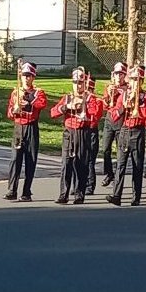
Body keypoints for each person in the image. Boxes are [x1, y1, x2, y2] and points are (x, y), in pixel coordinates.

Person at [106, 65, 146, 207]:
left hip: (138, 131)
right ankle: (116, 195)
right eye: (132, 80)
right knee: (120, 165)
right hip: (125, 130)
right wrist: (123, 107)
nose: (134, 83)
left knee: (137, 165)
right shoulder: (123, 95)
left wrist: (139, 103)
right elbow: (113, 115)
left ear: (142, 81)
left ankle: (136, 196)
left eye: (137, 80)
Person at [51, 67, 95, 204]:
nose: (77, 85)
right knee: (66, 163)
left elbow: (95, 113)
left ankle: (79, 194)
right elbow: (53, 112)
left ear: (84, 83)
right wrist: (66, 107)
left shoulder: (90, 98)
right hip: (69, 132)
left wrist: (84, 108)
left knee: (81, 163)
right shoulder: (67, 98)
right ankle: (63, 194)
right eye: (75, 82)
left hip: (82, 132)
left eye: (80, 83)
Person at [5, 61, 47, 201]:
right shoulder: (15, 92)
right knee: (15, 159)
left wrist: (28, 100)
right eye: (24, 75)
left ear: (33, 77)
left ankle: (26, 191)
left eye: (29, 75)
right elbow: (9, 114)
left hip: (31, 127)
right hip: (18, 127)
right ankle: (12, 189)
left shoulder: (38, 92)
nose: (26, 78)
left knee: (31, 160)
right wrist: (14, 109)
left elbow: (41, 104)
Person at [101, 62, 128, 188]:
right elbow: (105, 105)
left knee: (119, 151)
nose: (118, 77)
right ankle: (109, 173)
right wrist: (108, 97)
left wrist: (119, 92)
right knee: (105, 148)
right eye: (116, 74)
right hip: (109, 120)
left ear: (124, 75)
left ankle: (117, 176)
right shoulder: (108, 87)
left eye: (121, 74)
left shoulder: (127, 89)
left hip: (121, 121)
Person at [83, 74, 105, 196]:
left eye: (88, 90)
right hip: (81, 131)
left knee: (90, 160)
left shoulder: (97, 101)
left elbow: (95, 115)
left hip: (91, 131)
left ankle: (90, 186)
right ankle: (80, 184)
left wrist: (87, 102)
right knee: (80, 159)